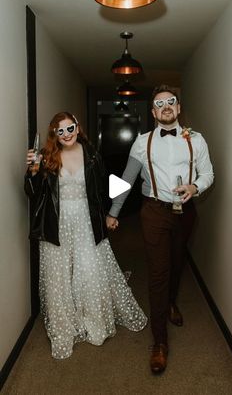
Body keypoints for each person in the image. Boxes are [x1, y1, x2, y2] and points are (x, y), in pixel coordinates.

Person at [106, 85, 214, 374]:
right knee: (158, 271)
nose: (166, 106)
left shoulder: (197, 140)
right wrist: (113, 212)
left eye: (171, 102)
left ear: (178, 108)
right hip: (153, 211)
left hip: (185, 212)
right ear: (153, 112)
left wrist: (195, 186)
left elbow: (209, 174)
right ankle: (160, 342)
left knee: (178, 263)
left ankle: (170, 303)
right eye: (159, 103)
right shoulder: (142, 142)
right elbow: (125, 179)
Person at [24, 111, 147, 360]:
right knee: (58, 275)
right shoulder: (47, 156)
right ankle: (64, 327)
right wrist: (33, 171)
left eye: (70, 129)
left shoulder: (92, 155)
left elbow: (101, 190)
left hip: (85, 221)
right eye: (61, 131)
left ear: (78, 128)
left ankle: (94, 322)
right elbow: (32, 193)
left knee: (89, 270)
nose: (67, 134)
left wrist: (110, 214)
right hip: (55, 223)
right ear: (54, 134)